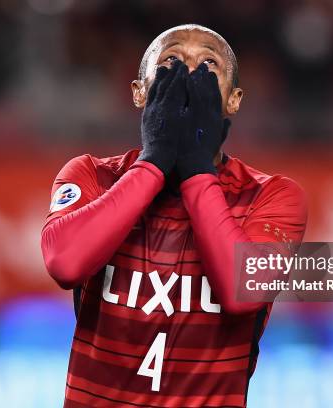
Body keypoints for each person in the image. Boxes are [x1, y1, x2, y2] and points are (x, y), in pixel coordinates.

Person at [41, 23, 307, 408]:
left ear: (233, 100)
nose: (189, 74)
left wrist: (197, 167)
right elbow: (64, 264)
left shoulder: (272, 196)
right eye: (172, 61)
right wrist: (154, 161)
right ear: (139, 92)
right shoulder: (92, 175)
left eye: (208, 65)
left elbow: (241, 293)